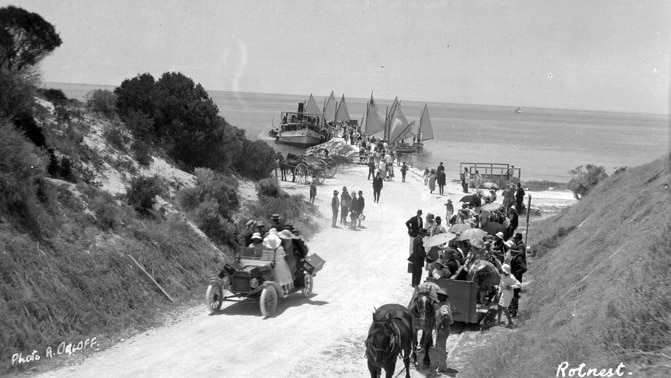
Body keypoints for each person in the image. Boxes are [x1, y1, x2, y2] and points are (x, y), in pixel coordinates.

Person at [434, 288, 454, 373]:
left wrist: (439, 324)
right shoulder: (444, 303)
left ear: (443, 297)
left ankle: (442, 367)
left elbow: (445, 316)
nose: (437, 296)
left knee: (440, 347)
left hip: (443, 329)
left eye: (439, 295)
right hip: (444, 328)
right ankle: (441, 362)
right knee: (439, 346)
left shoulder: (444, 306)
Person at [497, 264, 522, 328]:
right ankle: (498, 321)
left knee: (504, 308)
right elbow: (500, 284)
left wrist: (511, 287)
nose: (502, 271)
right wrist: (499, 292)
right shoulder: (503, 276)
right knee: (499, 306)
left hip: (508, 293)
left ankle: (510, 322)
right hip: (503, 292)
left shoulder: (511, 277)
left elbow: (519, 284)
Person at [509, 245, 527, 318]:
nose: (510, 252)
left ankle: (514, 312)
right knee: (512, 295)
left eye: (511, 251)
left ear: (514, 252)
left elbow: (524, 268)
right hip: (514, 280)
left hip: (516, 281)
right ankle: (512, 310)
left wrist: (517, 273)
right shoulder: (515, 258)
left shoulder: (518, 259)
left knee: (515, 296)